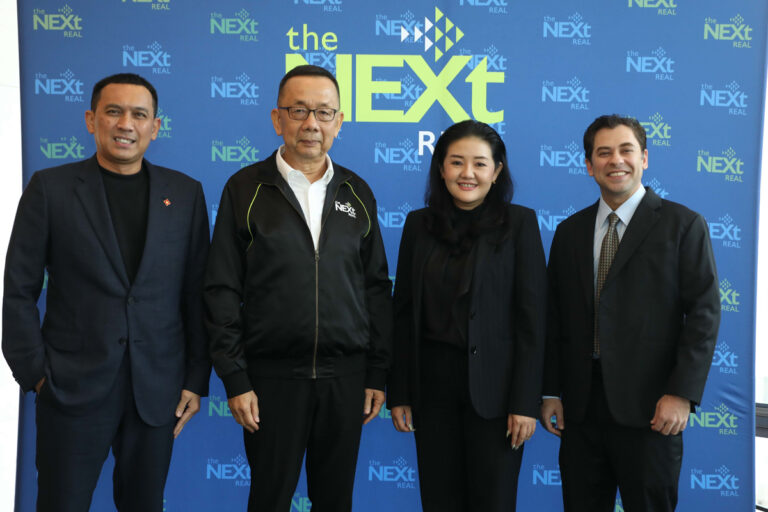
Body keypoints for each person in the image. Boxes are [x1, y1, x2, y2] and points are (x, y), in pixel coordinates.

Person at [2, 73, 211, 512]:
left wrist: (195, 378)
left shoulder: (185, 194)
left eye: (139, 115)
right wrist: (36, 374)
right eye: (113, 112)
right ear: (91, 119)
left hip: (156, 392)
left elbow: (196, 293)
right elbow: (18, 290)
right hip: (71, 388)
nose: (125, 124)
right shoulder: (50, 188)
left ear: (155, 127)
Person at [204, 64, 392, 512]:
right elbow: (221, 289)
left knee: (335, 501)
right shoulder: (245, 189)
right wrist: (235, 378)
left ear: (339, 122)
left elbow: (375, 287)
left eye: (324, 112)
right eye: (299, 110)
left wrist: (377, 372)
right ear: (277, 118)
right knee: (269, 500)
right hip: (271, 381)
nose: (312, 123)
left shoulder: (357, 191)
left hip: (345, 380)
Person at [540, 114, 720, 511]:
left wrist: (681, 393)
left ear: (644, 158)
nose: (616, 160)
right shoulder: (569, 232)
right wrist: (550, 390)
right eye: (604, 153)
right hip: (581, 409)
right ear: (589, 165)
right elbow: (555, 318)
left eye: (626, 150)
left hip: (652, 408)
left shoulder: (682, 224)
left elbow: (703, 315)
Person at [388, 120, 547, 512]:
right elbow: (403, 313)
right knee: (439, 501)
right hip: (432, 391)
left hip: (497, 396)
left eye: (479, 163)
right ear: (441, 169)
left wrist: (525, 402)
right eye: (457, 162)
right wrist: (401, 392)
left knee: (493, 502)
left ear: (497, 171)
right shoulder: (418, 225)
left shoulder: (520, 224)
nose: (467, 173)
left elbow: (532, 320)